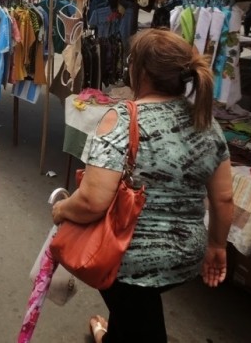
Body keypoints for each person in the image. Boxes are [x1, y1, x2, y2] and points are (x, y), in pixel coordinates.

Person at [50, 28, 233, 343]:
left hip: (128, 259)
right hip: (188, 255)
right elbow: (225, 198)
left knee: (139, 316)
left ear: (139, 71)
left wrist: (62, 209)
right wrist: (217, 246)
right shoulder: (207, 122)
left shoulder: (121, 119)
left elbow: (92, 201)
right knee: (133, 314)